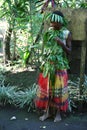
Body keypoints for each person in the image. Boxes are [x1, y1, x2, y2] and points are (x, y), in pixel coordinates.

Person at [35, 10, 72, 122]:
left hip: (60, 66)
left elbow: (70, 51)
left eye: (54, 22)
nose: (51, 23)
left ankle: (58, 114)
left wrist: (61, 43)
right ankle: (47, 112)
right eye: (51, 21)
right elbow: (46, 47)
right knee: (48, 89)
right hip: (48, 65)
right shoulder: (49, 31)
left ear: (60, 22)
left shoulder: (66, 33)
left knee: (58, 90)